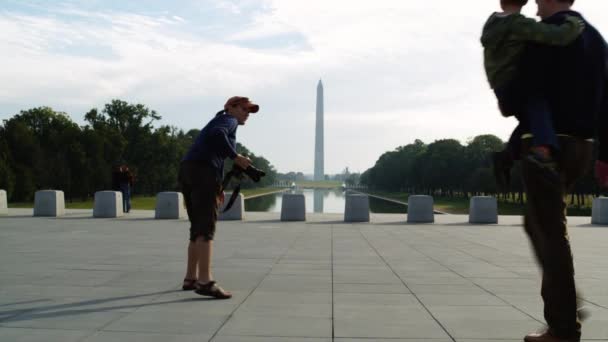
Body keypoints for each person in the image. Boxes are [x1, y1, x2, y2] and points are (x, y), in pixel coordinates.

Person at [512, 1, 607, 341]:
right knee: (537, 224)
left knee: (550, 233)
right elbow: (606, 98)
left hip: (547, 144)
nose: (535, 4)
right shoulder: (595, 38)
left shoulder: (547, 35)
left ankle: (564, 326)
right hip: (581, 145)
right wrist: (604, 154)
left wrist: (542, 141)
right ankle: (567, 301)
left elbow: (534, 93)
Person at [481, 0, 585, 190]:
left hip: (499, 83)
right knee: (538, 103)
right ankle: (543, 149)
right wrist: (574, 25)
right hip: (514, 80)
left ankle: (506, 156)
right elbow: (556, 36)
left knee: (529, 120)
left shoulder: (492, 24)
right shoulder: (519, 24)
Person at [178, 96, 259, 299]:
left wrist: (218, 185)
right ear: (230, 108)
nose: (247, 113)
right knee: (206, 228)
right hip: (203, 172)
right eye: (244, 109)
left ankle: (190, 278)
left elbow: (212, 149)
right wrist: (236, 156)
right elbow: (218, 135)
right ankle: (205, 281)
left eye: (249, 110)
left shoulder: (219, 121)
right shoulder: (227, 120)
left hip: (189, 169)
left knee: (197, 227)